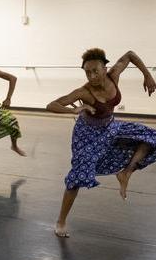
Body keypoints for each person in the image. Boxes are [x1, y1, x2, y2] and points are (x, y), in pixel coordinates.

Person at [46, 48, 156, 238]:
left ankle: (125, 173)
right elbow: (52, 105)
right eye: (87, 72)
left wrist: (147, 75)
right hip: (86, 135)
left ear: (105, 69)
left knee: (150, 138)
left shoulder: (114, 75)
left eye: (95, 70)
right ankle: (61, 221)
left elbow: (129, 54)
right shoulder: (84, 91)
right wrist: (75, 110)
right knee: (78, 175)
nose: (91, 76)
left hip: (110, 127)